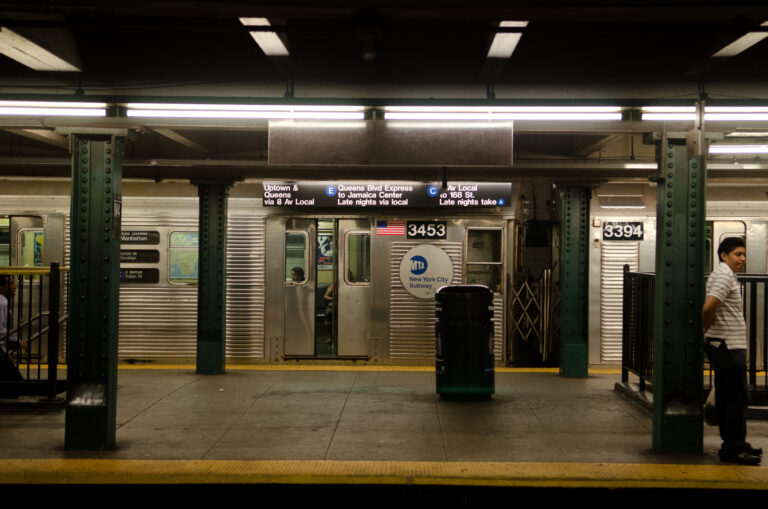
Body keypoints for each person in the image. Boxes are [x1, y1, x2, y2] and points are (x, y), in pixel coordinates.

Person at [702, 237, 762, 465]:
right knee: (737, 398)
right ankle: (733, 449)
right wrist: (705, 330)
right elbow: (708, 307)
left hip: (727, 344)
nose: (743, 259)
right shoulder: (724, 276)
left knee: (731, 397)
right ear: (723, 255)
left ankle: (736, 443)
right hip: (727, 345)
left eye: (744, 254)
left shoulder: (725, 275)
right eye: (738, 254)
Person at [0, 274, 23, 385]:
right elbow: (1, 332)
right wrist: (18, 342)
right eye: (10, 284)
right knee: (17, 381)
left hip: (2, 349)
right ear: (1, 287)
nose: (14, 287)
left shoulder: (4, 302)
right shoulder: (1, 303)